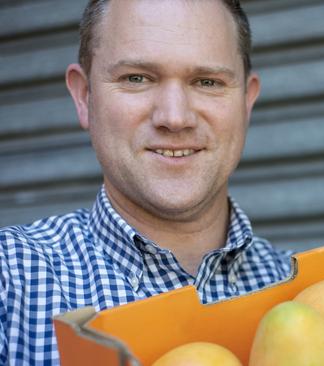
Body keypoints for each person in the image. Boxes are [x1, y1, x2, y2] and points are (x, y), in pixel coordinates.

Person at [0, 0, 293, 364]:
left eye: (207, 81)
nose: (174, 117)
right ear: (83, 95)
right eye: (137, 78)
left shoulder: (302, 288)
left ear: (246, 102)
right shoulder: (10, 281)